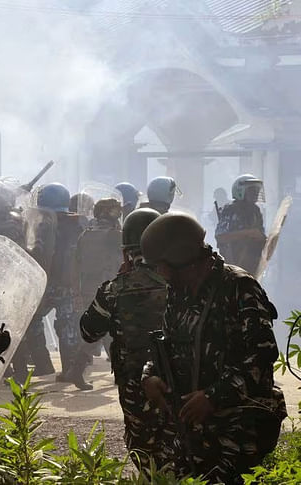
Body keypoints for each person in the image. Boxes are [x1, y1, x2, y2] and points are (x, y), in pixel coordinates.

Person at [140, 213, 286, 483]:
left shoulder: (239, 287)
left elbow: (261, 357)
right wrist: (150, 375)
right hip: (192, 430)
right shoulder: (179, 291)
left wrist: (213, 396)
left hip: (238, 427)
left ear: (182, 257)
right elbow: (165, 342)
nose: (160, 274)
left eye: (162, 266)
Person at [79, 208, 171, 469]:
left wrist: (120, 281)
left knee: (145, 453)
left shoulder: (115, 290)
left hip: (135, 387)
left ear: (126, 252)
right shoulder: (182, 282)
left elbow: (88, 332)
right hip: (183, 382)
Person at [15, 182, 86, 387]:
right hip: (68, 285)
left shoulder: (40, 224)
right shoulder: (78, 224)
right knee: (67, 328)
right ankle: (70, 370)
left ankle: (44, 363)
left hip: (45, 283)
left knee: (31, 322)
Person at [69, 197, 124, 386]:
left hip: (89, 289)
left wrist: (76, 292)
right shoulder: (115, 236)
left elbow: (75, 267)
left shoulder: (85, 234)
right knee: (110, 331)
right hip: (109, 288)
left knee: (102, 330)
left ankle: (117, 373)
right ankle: (76, 370)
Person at [214, 174, 266, 275]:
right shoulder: (231, 209)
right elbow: (221, 236)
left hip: (253, 261)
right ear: (240, 191)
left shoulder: (256, 211)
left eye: (257, 190)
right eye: (252, 190)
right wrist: (248, 233)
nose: (256, 194)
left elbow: (260, 235)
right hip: (234, 263)